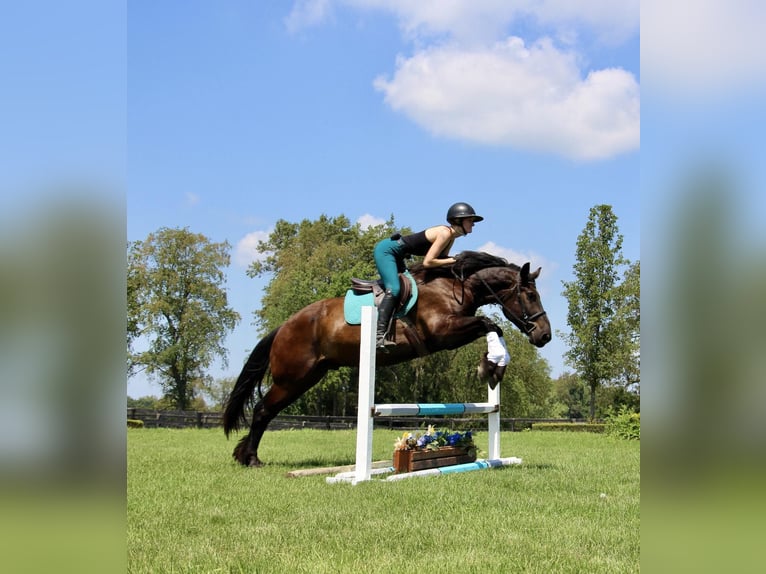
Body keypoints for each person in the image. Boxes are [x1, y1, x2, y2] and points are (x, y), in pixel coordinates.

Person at [373, 202, 484, 351]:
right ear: (459, 220)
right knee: (394, 289)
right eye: (470, 220)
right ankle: (379, 336)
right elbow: (428, 262)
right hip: (387, 251)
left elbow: (442, 260)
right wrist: (456, 259)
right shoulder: (445, 234)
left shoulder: (451, 236)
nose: (473, 224)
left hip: (399, 256)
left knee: (411, 286)